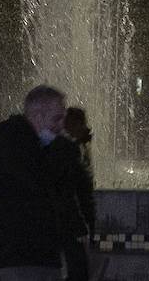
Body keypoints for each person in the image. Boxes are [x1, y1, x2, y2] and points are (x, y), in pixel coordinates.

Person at [0, 85, 67, 280]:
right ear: (38, 116)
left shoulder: (32, 144)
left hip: (38, 256)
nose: (61, 126)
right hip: (21, 257)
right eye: (57, 118)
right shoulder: (13, 140)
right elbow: (44, 185)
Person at [46, 107, 96, 281]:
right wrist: (80, 225)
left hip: (65, 222)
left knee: (75, 270)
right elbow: (69, 192)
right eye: (82, 123)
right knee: (78, 271)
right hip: (67, 224)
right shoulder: (66, 150)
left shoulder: (73, 147)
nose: (85, 127)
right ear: (72, 125)